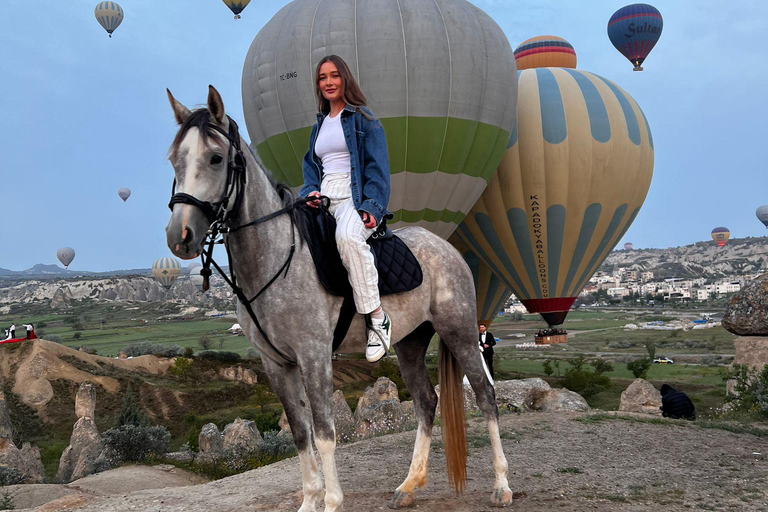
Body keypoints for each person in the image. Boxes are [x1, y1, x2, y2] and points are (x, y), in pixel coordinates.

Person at [300, 55, 393, 363]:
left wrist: (373, 205)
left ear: (345, 79)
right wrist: (309, 191)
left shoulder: (364, 120)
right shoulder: (318, 126)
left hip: (353, 197)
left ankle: (378, 319)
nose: (328, 82)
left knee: (349, 239)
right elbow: (311, 166)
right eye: (322, 77)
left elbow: (377, 167)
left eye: (334, 75)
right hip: (323, 196)